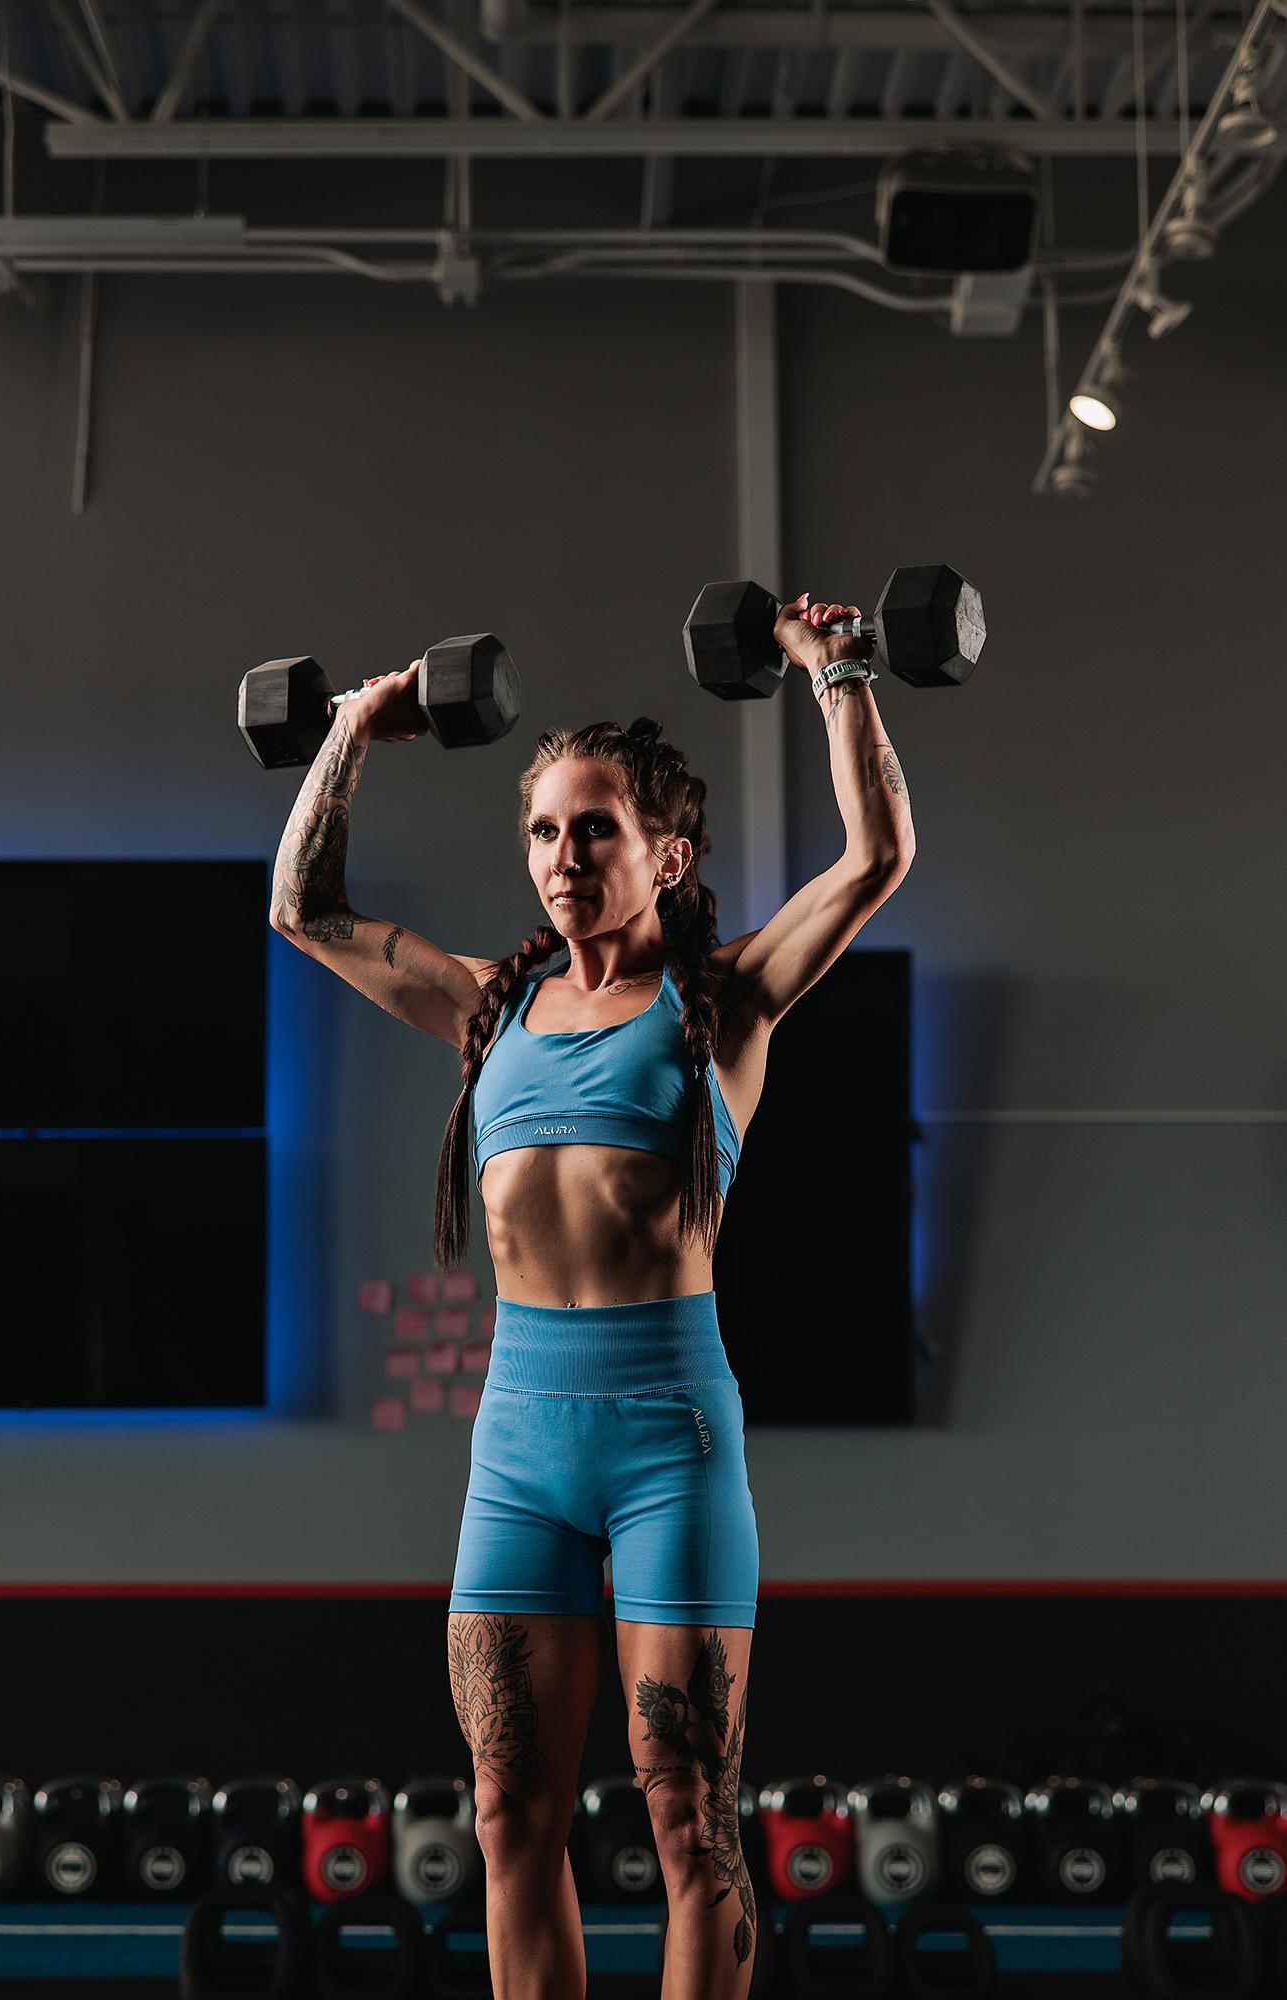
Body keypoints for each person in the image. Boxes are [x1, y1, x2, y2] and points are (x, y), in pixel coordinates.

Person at [269, 591, 916, 2000]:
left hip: (663, 1437)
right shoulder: (488, 1009)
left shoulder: (725, 1006)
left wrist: (836, 669)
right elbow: (301, 909)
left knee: (689, 1822)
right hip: (518, 1445)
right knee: (510, 1818)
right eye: (544, 833)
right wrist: (352, 730)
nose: (562, 858)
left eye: (595, 831)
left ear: (667, 854)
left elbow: (875, 857)